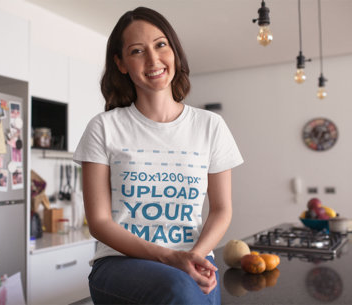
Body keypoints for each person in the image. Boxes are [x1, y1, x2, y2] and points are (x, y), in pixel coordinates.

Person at [73, 6, 243, 305]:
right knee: (179, 290)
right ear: (121, 63)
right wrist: (170, 257)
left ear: (174, 51)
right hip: (119, 263)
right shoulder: (104, 127)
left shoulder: (210, 126)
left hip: (195, 259)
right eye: (137, 51)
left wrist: (194, 256)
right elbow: (99, 222)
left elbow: (221, 209)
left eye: (160, 45)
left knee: (189, 290)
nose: (153, 59)